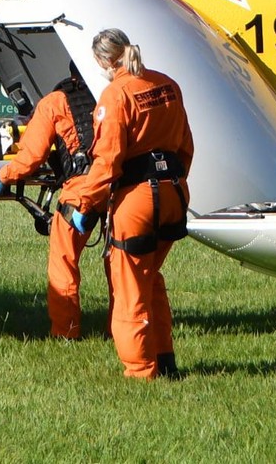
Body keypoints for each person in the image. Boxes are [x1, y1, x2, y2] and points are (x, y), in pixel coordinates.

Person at [67, 29, 193, 379]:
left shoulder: (116, 95)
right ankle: (165, 361)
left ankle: (140, 371)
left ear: (103, 61)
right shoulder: (168, 85)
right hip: (174, 194)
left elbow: (107, 161)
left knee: (129, 288)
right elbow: (185, 147)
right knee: (151, 278)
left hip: (138, 201)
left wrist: (86, 204)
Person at [0, 62, 97, 339]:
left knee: (63, 262)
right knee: (120, 265)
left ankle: (66, 333)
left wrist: (3, 178)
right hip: (117, 185)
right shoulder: (111, 96)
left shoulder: (54, 102)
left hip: (81, 189)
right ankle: (121, 328)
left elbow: (30, 157)